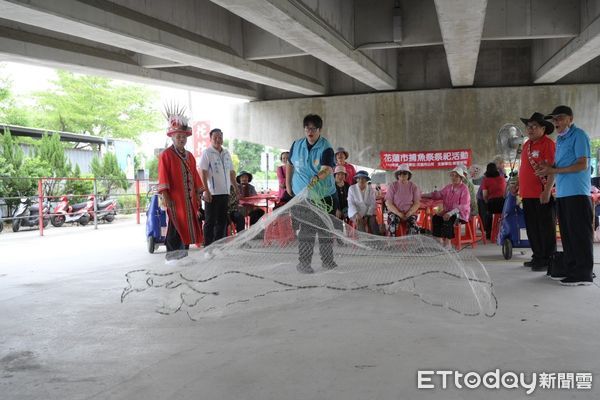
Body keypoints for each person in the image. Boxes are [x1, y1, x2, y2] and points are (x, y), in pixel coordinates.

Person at [535, 105, 593, 286]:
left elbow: (582, 164)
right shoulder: (560, 140)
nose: (556, 122)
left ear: (570, 119)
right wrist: (547, 168)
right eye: (554, 119)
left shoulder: (579, 136)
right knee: (567, 235)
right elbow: (555, 167)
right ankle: (572, 268)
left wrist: (555, 169)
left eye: (560, 118)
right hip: (563, 194)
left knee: (580, 234)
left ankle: (584, 273)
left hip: (578, 194)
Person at [286, 114, 337, 273]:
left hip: (324, 196)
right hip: (302, 195)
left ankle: (328, 261)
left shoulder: (326, 147)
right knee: (306, 230)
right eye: (307, 128)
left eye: (313, 128)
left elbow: (327, 169)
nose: (310, 131)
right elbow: (289, 164)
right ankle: (304, 263)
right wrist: (288, 185)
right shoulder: (296, 144)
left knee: (325, 230)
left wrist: (316, 178)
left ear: (319, 130)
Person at [157, 108, 203, 260]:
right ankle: (171, 256)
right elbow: (163, 177)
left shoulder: (189, 156)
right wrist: (166, 196)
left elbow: (195, 176)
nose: (181, 139)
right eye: (178, 136)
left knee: (187, 227)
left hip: (189, 199)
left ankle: (183, 255)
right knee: (175, 226)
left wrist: (199, 193)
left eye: (183, 137)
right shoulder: (166, 155)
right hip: (175, 198)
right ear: (172, 137)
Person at [517, 112, 556, 272]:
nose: (530, 129)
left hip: (542, 194)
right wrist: (517, 186)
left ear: (543, 128)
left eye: (534, 127)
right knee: (532, 228)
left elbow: (552, 169)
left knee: (545, 228)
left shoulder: (548, 144)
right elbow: (523, 169)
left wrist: (547, 191)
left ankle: (548, 259)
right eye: (528, 126)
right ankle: (537, 256)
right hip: (527, 194)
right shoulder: (526, 145)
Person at [199, 128, 237, 247]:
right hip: (212, 193)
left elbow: (231, 172)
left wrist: (235, 186)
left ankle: (218, 246)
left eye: (220, 137)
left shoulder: (226, 153)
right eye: (215, 137)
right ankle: (208, 247)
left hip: (225, 192)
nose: (217, 139)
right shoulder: (207, 153)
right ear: (210, 139)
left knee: (222, 221)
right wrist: (206, 191)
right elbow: (202, 172)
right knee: (210, 221)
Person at [422, 167, 471, 248]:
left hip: (460, 213)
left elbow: (464, 205)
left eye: (456, 176)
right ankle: (439, 240)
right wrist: (423, 195)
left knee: (449, 219)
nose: (454, 178)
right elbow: (438, 194)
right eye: (452, 175)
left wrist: (450, 213)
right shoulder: (448, 187)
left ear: (461, 178)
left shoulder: (464, 189)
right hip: (447, 211)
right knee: (436, 218)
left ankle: (448, 243)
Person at [385, 164, 421, 236]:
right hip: (395, 213)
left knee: (414, 227)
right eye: (399, 173)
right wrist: (399, 213)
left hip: (410, 213)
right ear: (397, 175)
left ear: (408, 175)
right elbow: (388, 203)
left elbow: (417, 203)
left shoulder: (413, 187)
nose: (402, 175)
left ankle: (411, 245)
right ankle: (392, 244)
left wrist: (409, 213)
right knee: (393, 225)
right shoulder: (393, 186)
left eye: (404, 173)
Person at [480, 162, 507, 240]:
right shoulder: (502, 178)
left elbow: (485, 195)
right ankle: (501, 231)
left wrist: (486, 202)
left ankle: (489, 234)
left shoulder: (485, 180)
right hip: (503, 204)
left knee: (488, 214)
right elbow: (505, 192)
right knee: (499, 215)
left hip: (492, 203)